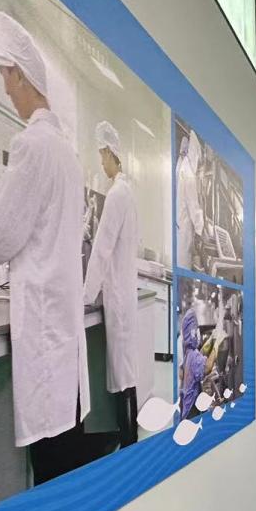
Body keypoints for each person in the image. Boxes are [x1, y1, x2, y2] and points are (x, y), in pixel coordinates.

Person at [0, 12, 90, 485]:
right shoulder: (65, 153)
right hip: (62, 324)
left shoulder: (31, 143)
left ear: (20, 75)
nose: (5, 89)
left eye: (5, 76)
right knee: (65, 449)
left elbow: (7, 230)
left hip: (46, 323)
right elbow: (32, 214)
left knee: (51, 461)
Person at [84, 120, 140, 449]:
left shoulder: (117, 194)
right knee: (125, 371)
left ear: (108, 152)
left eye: (100, 155)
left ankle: (127, 440)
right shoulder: (127, 193)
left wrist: (85, 295)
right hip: (124, 291)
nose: (100, 163)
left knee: (121, 373)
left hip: (117, 294)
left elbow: (102, 249)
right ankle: (130, 436)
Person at [175, 127, 203, 271]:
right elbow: (194, 207)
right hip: (184, 230)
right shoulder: (189, 173)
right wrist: (199, 229)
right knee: (184, 265)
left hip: (179, 228)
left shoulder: (180, 167)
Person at [179, 306, 207, 420]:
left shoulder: (188, 352)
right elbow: (207, 367)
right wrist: (216, 345)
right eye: (196, 329)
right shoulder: (193, 355)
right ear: (193, 332)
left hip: (186, 405)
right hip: (191, 409)